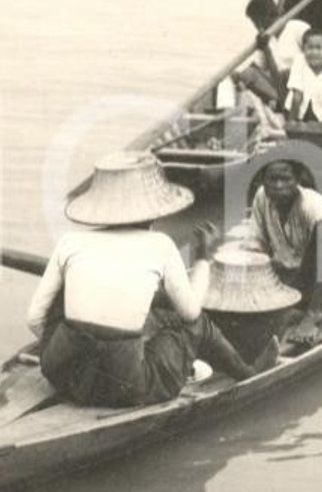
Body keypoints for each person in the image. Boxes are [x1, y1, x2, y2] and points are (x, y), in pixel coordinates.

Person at [27, 151, 275, 408]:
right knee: (199, 325)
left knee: (66, 305)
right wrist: (203, 256)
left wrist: (73, 350)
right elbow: (191, 314)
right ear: (154, 212)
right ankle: (248, 374)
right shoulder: (160, 244)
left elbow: (34, 318)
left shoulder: (69, 241)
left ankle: (83, 370)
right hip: (126, 385)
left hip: (63, 375)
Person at [245, 159, 322, 347]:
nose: (279, 186)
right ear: (263, 181)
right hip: (305, 278)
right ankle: (300, 307)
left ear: (297, 180)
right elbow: (255, 245)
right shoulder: (262, 198)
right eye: (273, 179)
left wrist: (312, 314)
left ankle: (314, 312)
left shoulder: (311, 206)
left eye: (286, 179)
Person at [235, 0, 310, 106]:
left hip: (303, 86)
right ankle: (277, 103)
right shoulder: (265, 40)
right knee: (247, 74)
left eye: (256, 22)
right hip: (279, 88)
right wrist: (239, 76)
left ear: (266, 17)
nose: (257, 27)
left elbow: (317, 60)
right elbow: (259, 68)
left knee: (286, 75)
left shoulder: (298, 27)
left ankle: (281, 104)